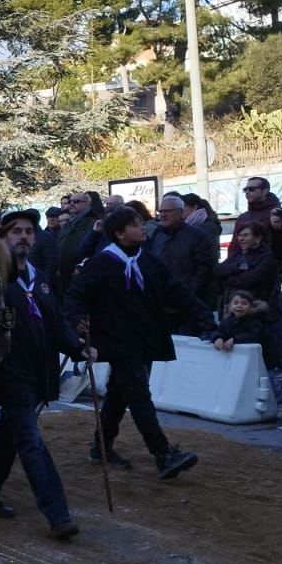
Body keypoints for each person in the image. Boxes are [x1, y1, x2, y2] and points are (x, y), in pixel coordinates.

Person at [64, 205, 206, 480]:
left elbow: (176, 290)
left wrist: (205, 318)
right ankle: (162, 452)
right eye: (135, 224)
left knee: (119, 393)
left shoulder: (149, 261)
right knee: (139, 393)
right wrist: (76, 319)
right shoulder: (102, 263)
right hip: (118, 340)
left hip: (145, 337)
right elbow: (76, 295)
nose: (142, 228)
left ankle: (101, 447)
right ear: (119, 233)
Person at [0, 210, 85, 540]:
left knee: (11, 431)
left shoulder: (41, 278)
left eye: (29, 232)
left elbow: (56, 321)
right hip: (7, 370)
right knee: (30, 441)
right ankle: (58, 514)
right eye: (16, 231)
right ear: (3, 238)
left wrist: (77, 347)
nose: (24, 237)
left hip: (40, 370)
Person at [148, 194, 217, 328]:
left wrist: (189, 293)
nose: (162, 215)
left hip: (189, 303)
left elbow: (204, 269)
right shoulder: (158, 234)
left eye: (167, 211)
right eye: (160, 211)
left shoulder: (197, 236)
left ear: (180, 212)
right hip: (163, 302)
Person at [231, 177, 282, 260]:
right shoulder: (242, 217)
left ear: (264, 191)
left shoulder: (277, 214)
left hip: (268, 266)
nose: (247, 192)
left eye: (251, 189)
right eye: (245, 190)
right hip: (240, 266)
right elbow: (234, 246)